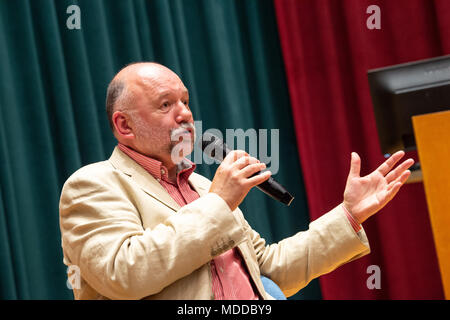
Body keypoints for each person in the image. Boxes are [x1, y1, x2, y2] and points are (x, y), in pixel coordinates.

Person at [59, 62, 414, 300]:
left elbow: (270, 268)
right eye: (165, 104)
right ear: (125, 126)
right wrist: (218, 203)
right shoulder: (93, 184)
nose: (185, 113)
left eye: (185, 101)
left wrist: (348, 214)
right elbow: (125, 273)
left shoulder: (200, 186)